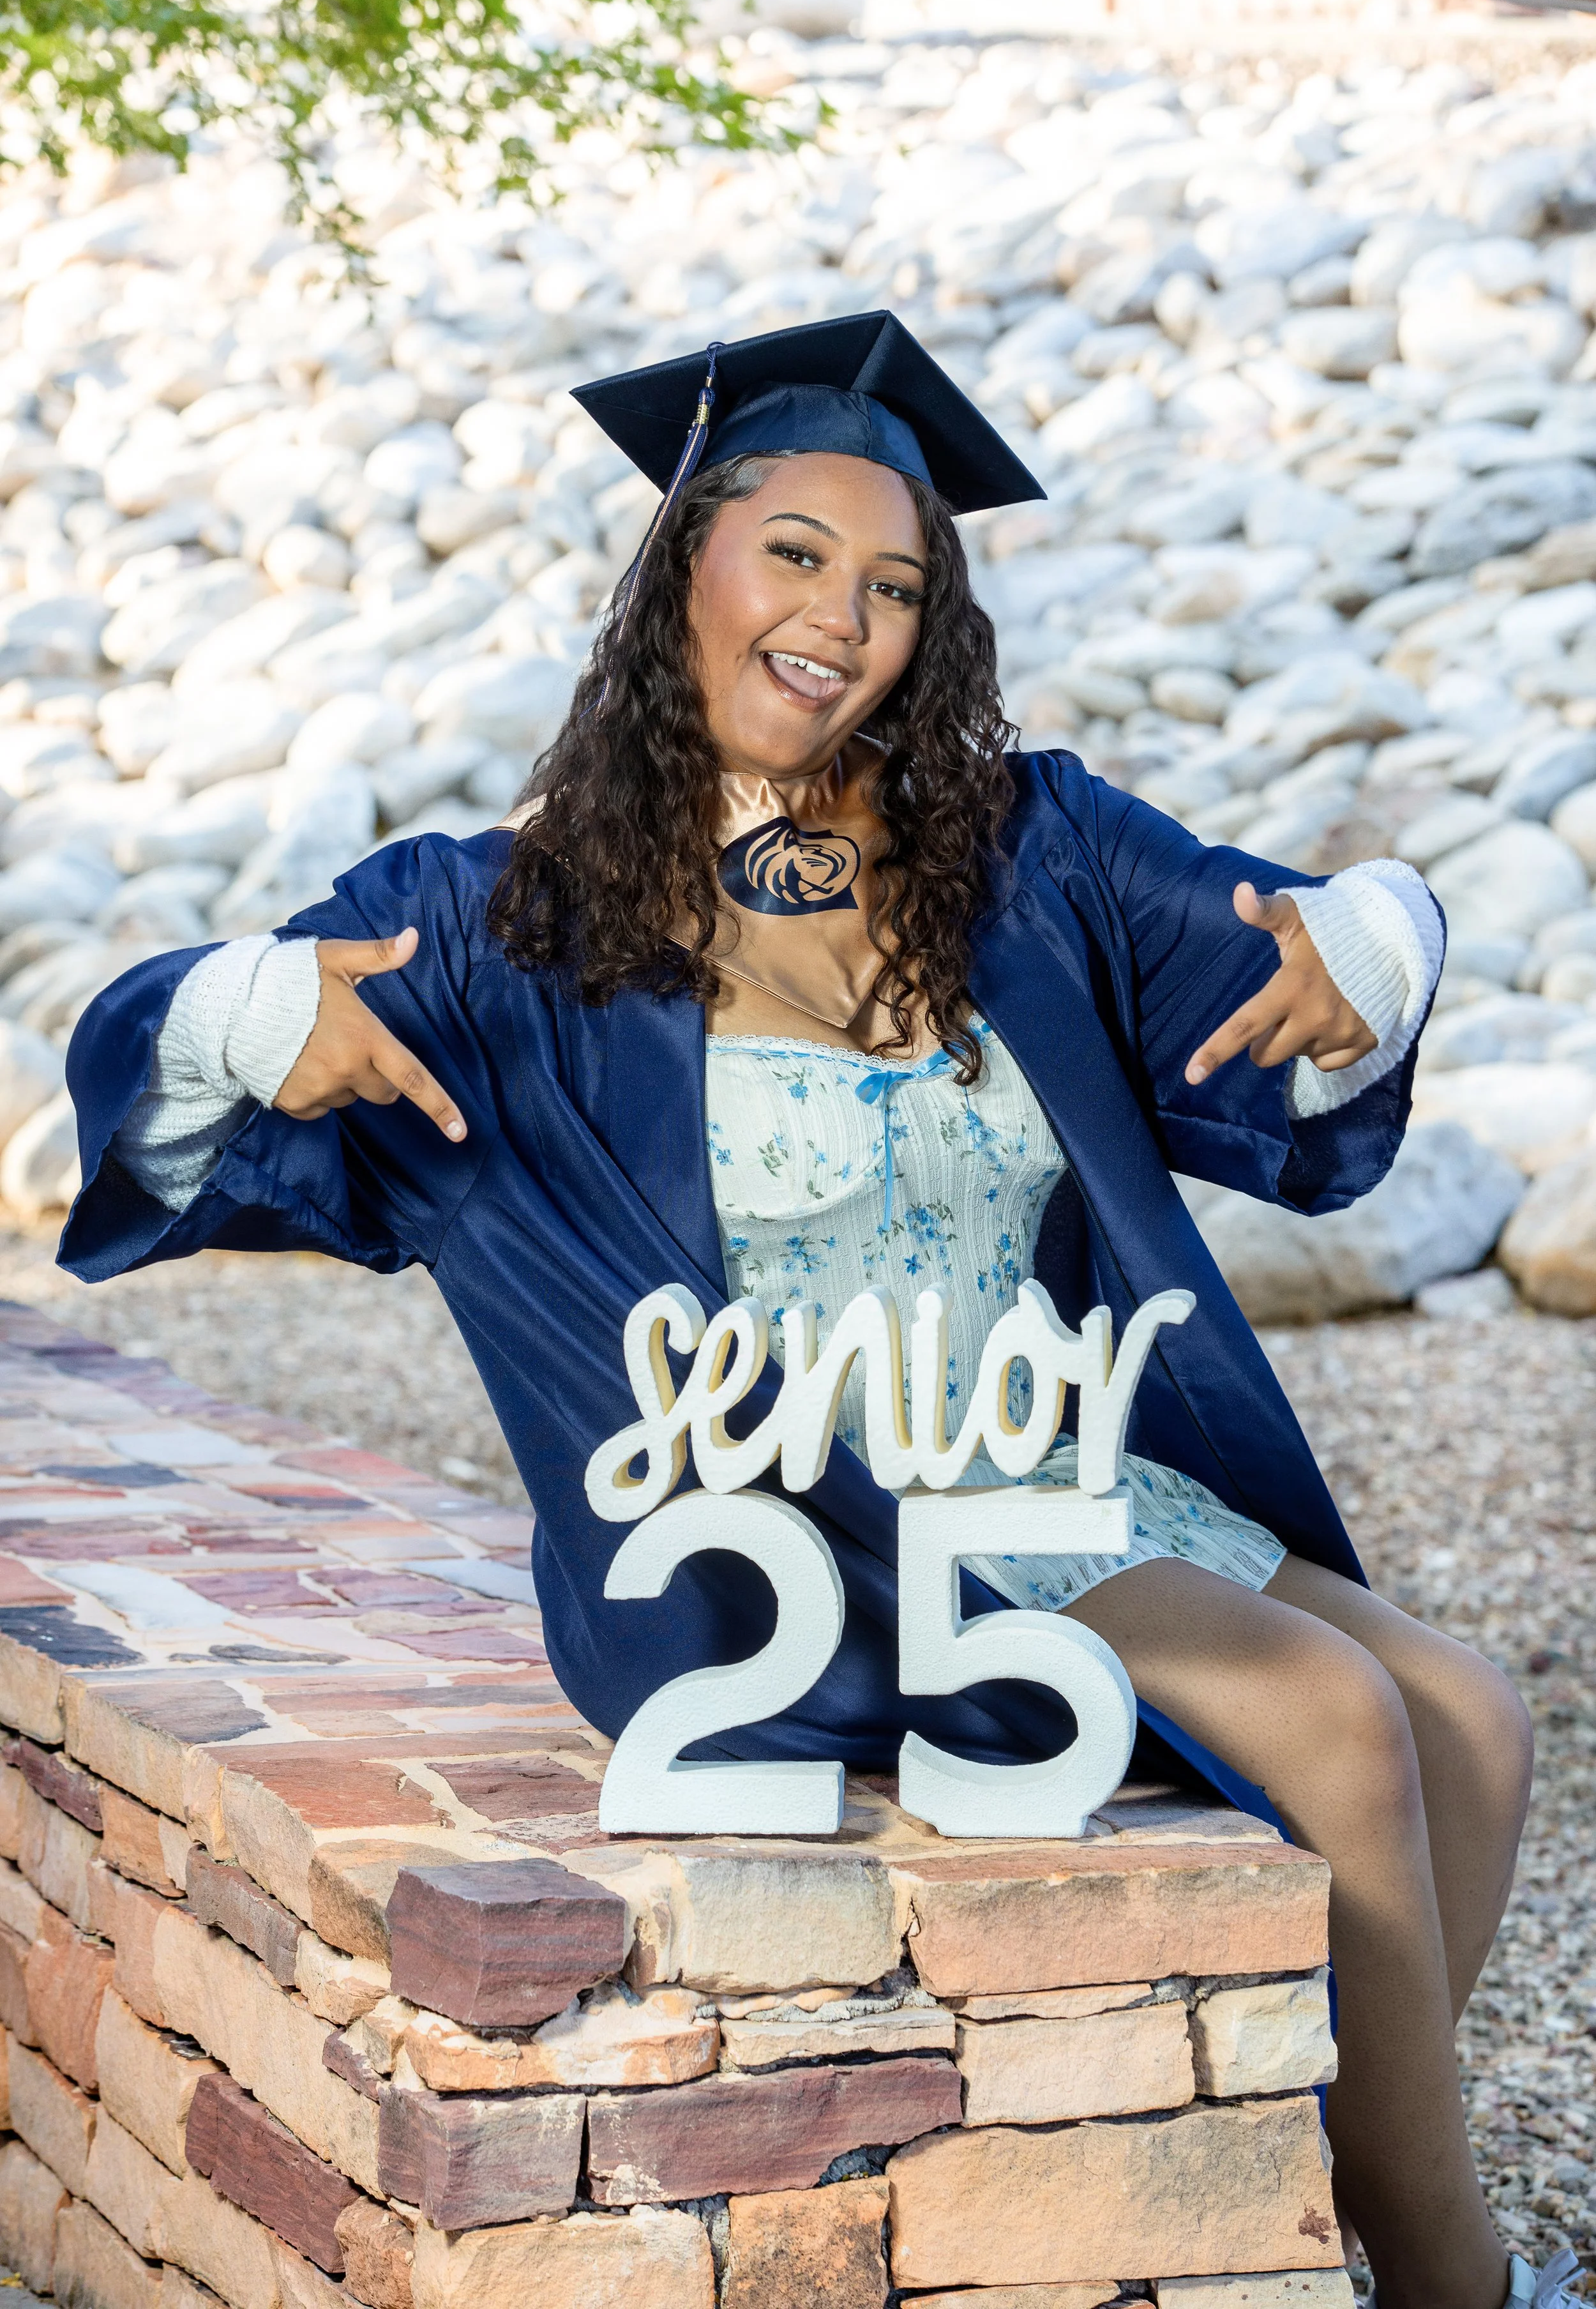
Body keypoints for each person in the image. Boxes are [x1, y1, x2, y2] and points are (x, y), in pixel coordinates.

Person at [61, 313, 1558, 2309]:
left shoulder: (1023, 858)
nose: (842, 613)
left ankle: (1305, 2186)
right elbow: (151, 1056)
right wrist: (258, 1009)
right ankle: (1454, 2278)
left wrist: (1388, 927)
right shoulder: (519, 926)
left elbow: (1294, 969)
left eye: (894, 584)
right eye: (792, 551)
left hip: (1055, 1471)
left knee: (1478, 1711)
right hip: (809, 1527)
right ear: (681, 558)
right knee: (1337, 1716)